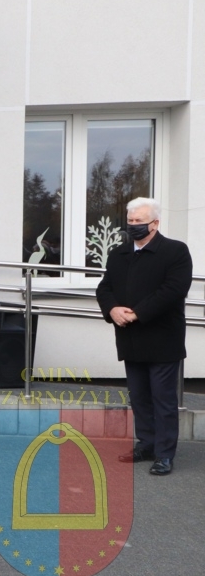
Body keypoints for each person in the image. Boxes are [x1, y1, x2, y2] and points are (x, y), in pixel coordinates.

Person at [96, 197, 192, 476]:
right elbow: (104, 288)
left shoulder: (175, 251)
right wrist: (112, 309)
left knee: (163, 399)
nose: (134, 225)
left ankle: (164, 454)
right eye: (131, 221)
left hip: (162, 338)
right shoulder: (119, 253)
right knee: (139, 397)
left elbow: (174, 290)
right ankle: (146, 444)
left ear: (155, 223)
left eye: (140, 221)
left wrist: (137, 313)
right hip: (130, 338)